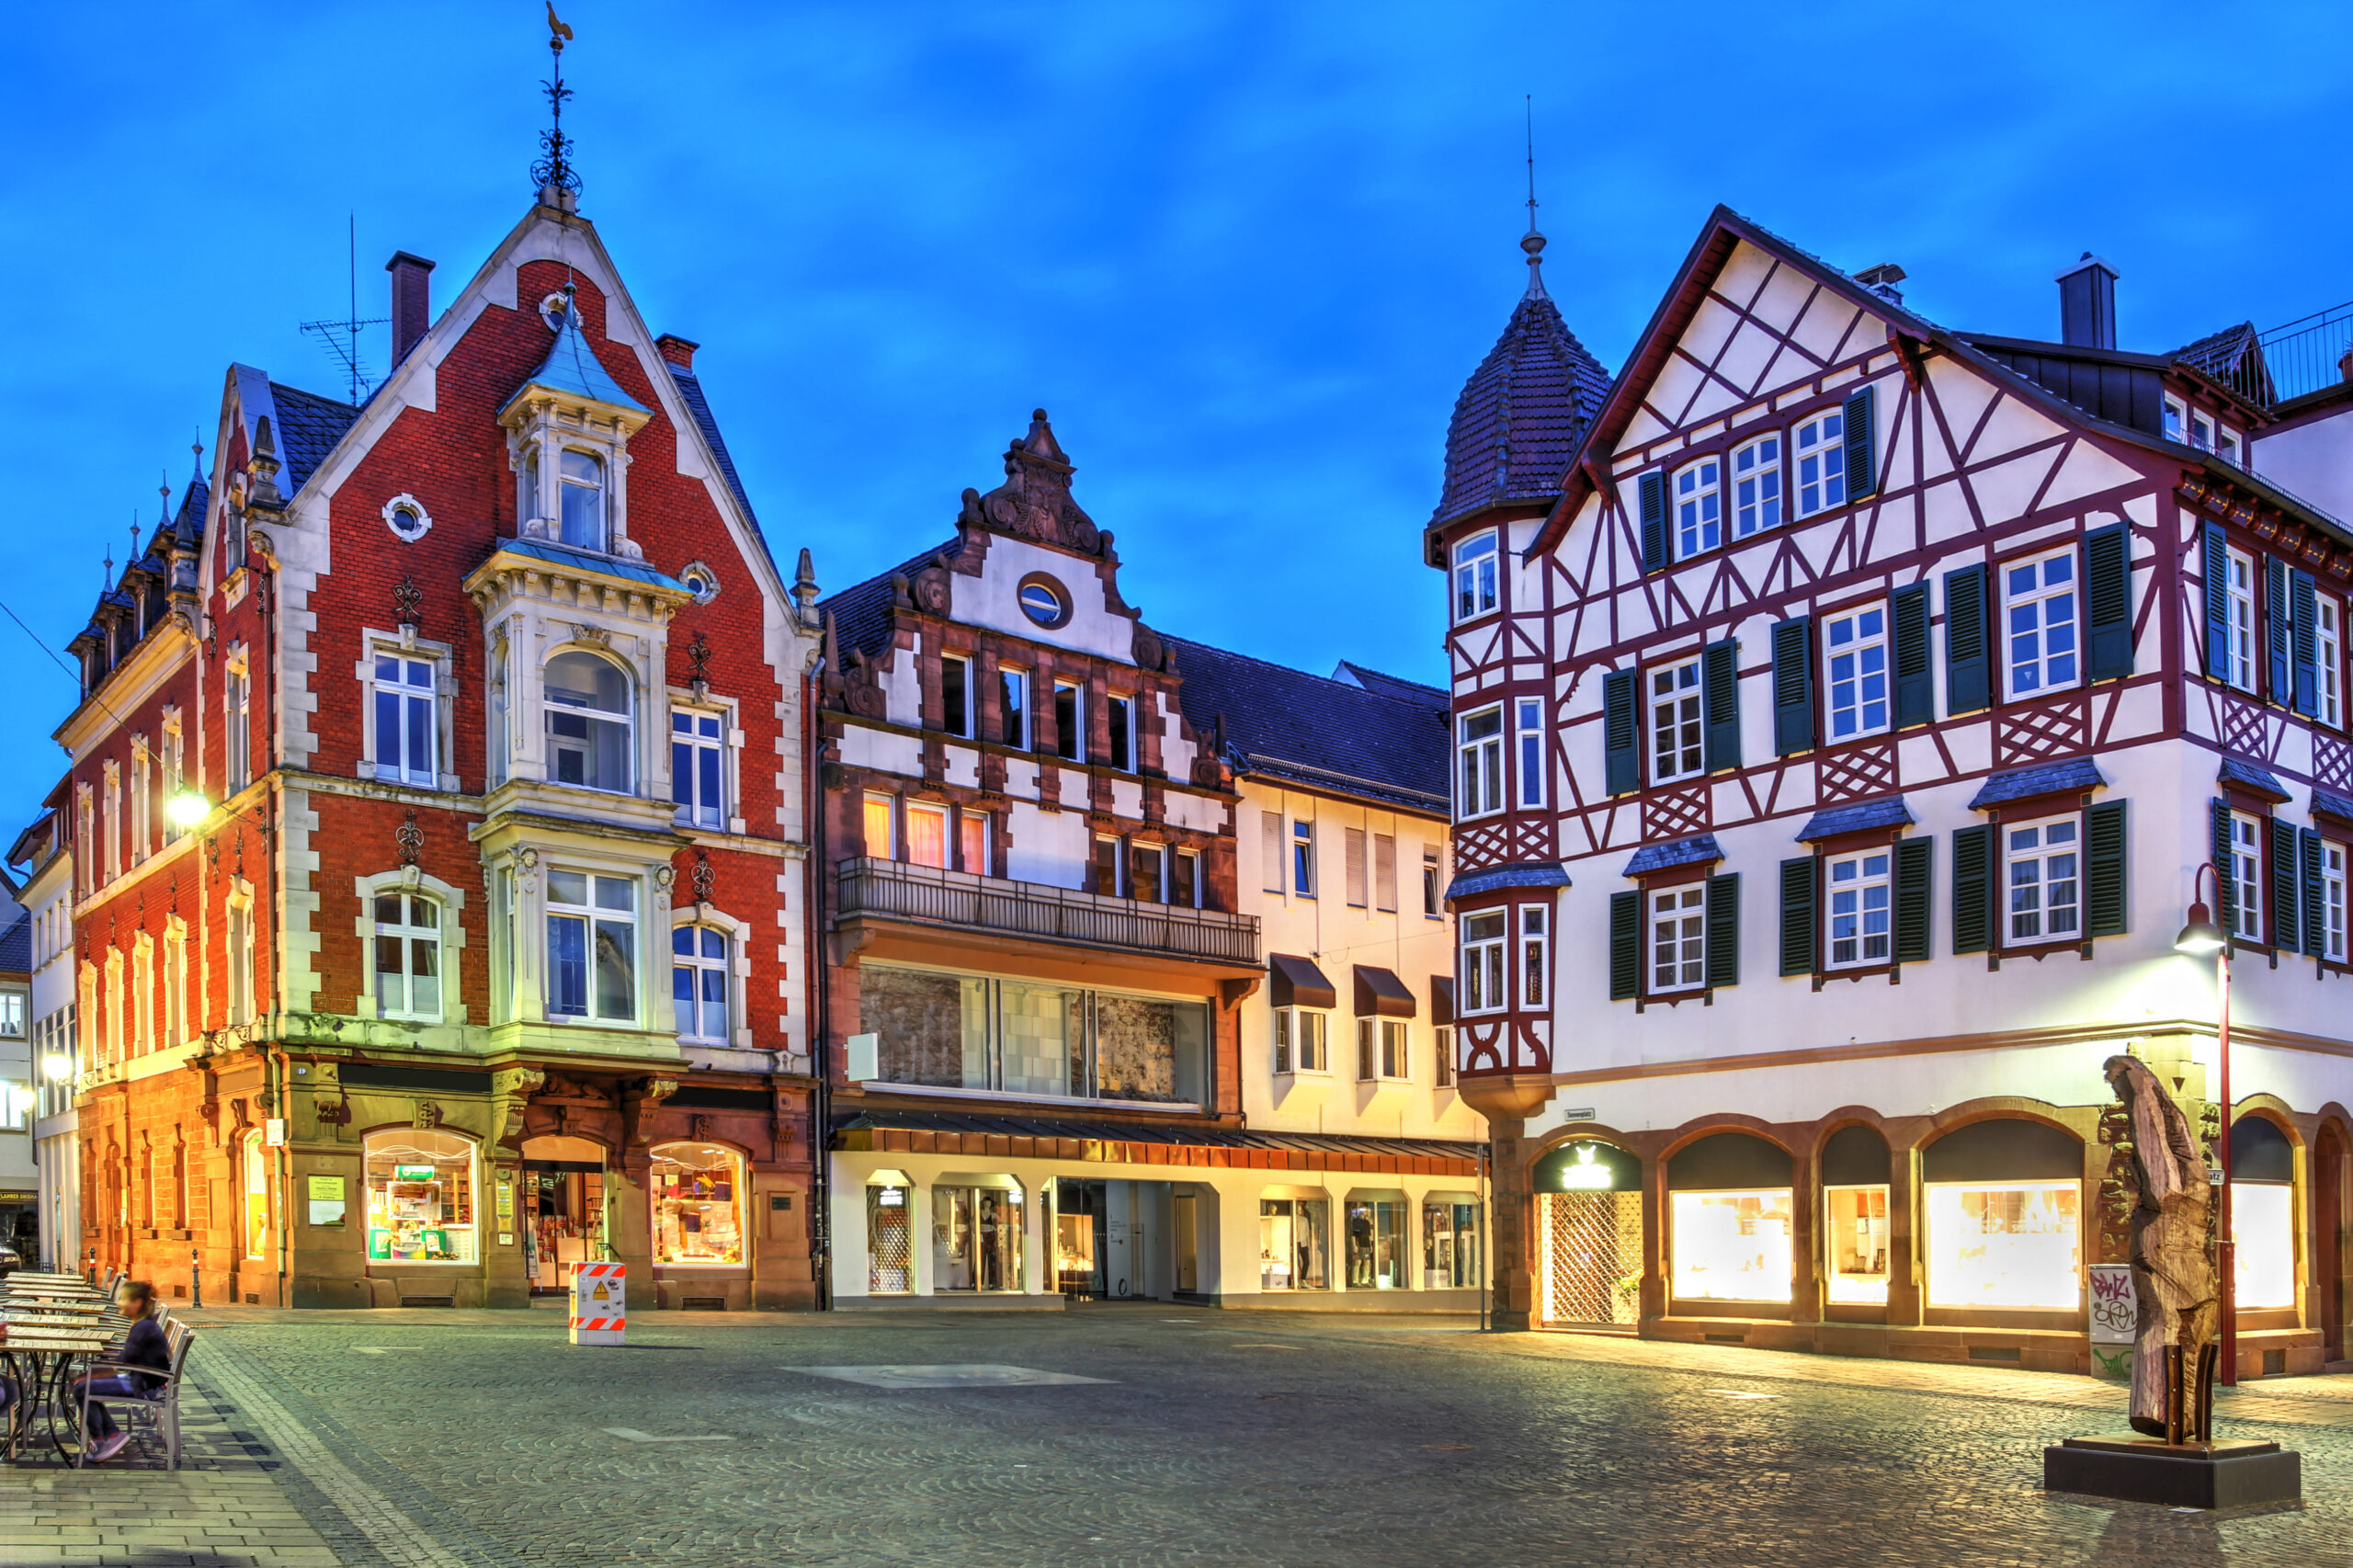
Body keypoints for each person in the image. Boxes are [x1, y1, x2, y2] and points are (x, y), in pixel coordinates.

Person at [73, 1279, 169, 1464]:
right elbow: (125, 1359)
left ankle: (103, 1440)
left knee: (81, 1389)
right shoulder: (144, 1324)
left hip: (140, 1384)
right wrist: (93, 1374)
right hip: (140, 1379)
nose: (119, 1303)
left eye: (124, 1299)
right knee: (87, 1387)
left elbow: (124, 1362)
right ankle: (111, 1434)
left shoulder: (143, 1327)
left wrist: (92, 1374)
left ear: (137, 1303)